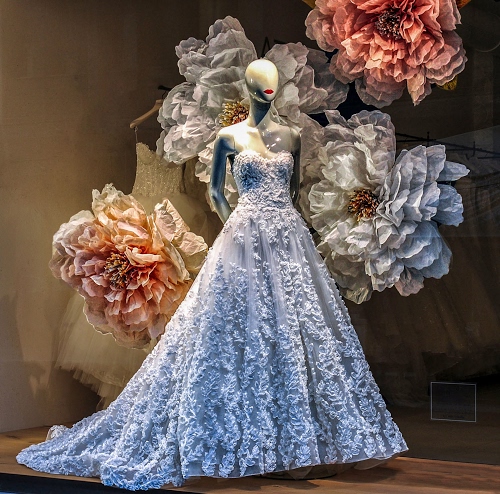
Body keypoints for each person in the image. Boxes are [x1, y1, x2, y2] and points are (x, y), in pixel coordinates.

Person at [17, 59, 407, 491]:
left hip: (286, 236)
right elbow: (218, 192)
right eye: (260, 84)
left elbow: (294, 190)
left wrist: (278, 220)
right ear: (250, 88)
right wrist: (236, 223)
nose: (267, 90)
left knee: (294, 326)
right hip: (243, 234)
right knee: (231, 328)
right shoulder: (229, 137)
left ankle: (291, 437)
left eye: (272, 84)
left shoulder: (291, 136)